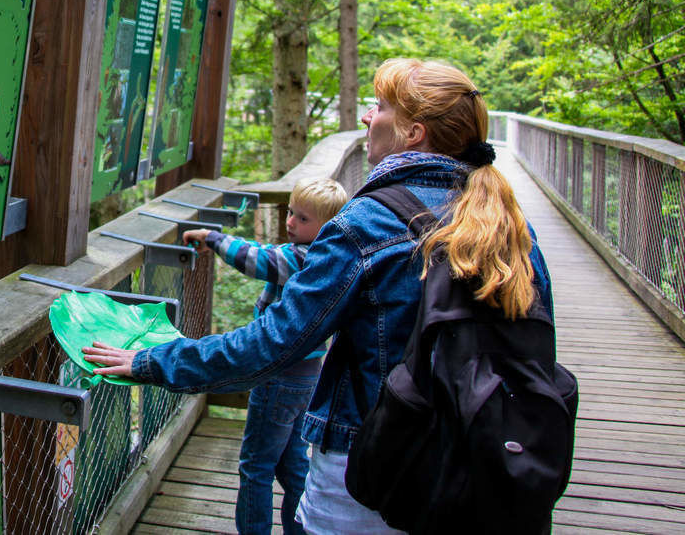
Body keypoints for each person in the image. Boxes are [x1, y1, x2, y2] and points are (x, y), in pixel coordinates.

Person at [84, 58, 553, 534]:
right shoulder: (511, 226)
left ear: (413, 133)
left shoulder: (366, 225)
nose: (368, 118)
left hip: (373, 475)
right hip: (480, 463)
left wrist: (153, 360)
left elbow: (271, 344)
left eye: (380, 107)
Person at [182, 176, 348, 535]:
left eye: (302, 219)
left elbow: (260, 260)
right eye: (291, 212)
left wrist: (213, 238)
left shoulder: (304, 259)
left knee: (255, 465)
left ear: (327, 226)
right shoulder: (331, 257)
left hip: (278, 375)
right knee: (293, 465)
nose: (290, 223)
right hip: (308, 377)